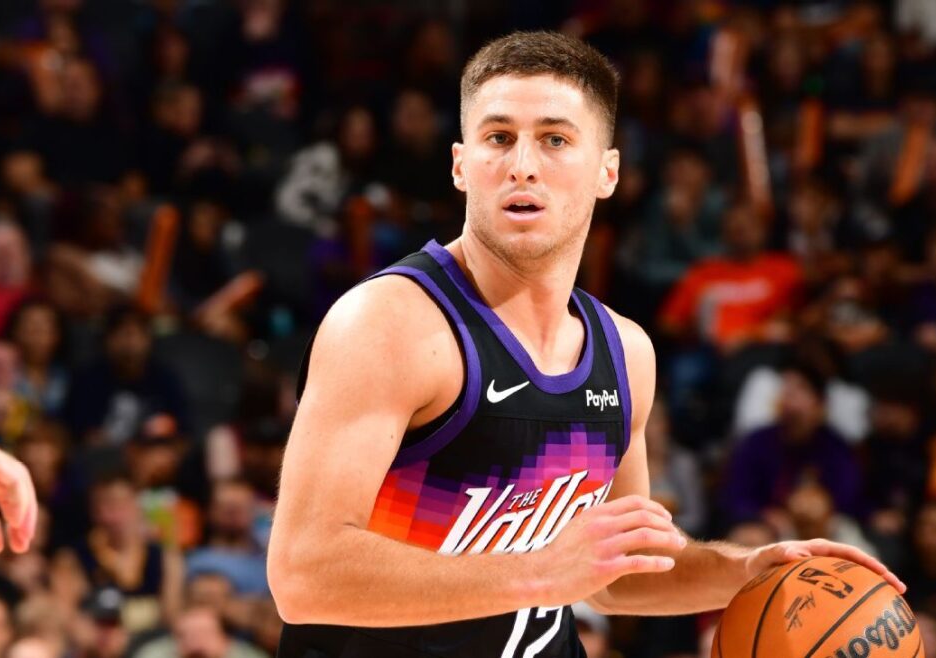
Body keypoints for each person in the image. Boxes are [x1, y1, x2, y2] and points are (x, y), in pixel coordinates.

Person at [267, 31, 901, 657]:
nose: (522, 164)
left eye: (555, 139)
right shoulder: (390, 324)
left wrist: (748, 571)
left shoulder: (626, 354)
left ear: (607, 172)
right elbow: (302, 575)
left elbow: (619, 579)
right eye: (498, 137)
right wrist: (541, 573)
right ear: (461, 165)